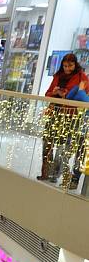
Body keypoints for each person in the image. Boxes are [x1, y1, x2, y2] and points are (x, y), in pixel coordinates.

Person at [40, 53, 89, 182]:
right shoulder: (57, 75)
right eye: (65, 65)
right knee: (47, 142)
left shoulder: (81, 77)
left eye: (70, 65)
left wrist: (66, 95)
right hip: (54, 112)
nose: (67, 68)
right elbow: (47, 94)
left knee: (62, 146)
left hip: (69, 116)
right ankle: (45, 172)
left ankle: (54, 175)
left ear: (75, 64)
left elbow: (83, 95)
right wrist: (55, 92)